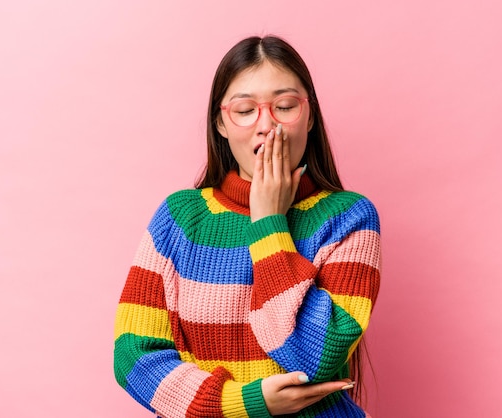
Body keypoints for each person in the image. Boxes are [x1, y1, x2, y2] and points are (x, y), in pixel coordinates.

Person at [114, 35, 381, 417]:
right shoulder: (180, 218)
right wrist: (243, 403)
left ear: (310, 116)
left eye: (285, 106)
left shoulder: (350, 218)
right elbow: (132, 355)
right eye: (244, 110)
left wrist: (269, 221)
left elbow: (310, 357)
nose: (267, 126)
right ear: (221, 124)